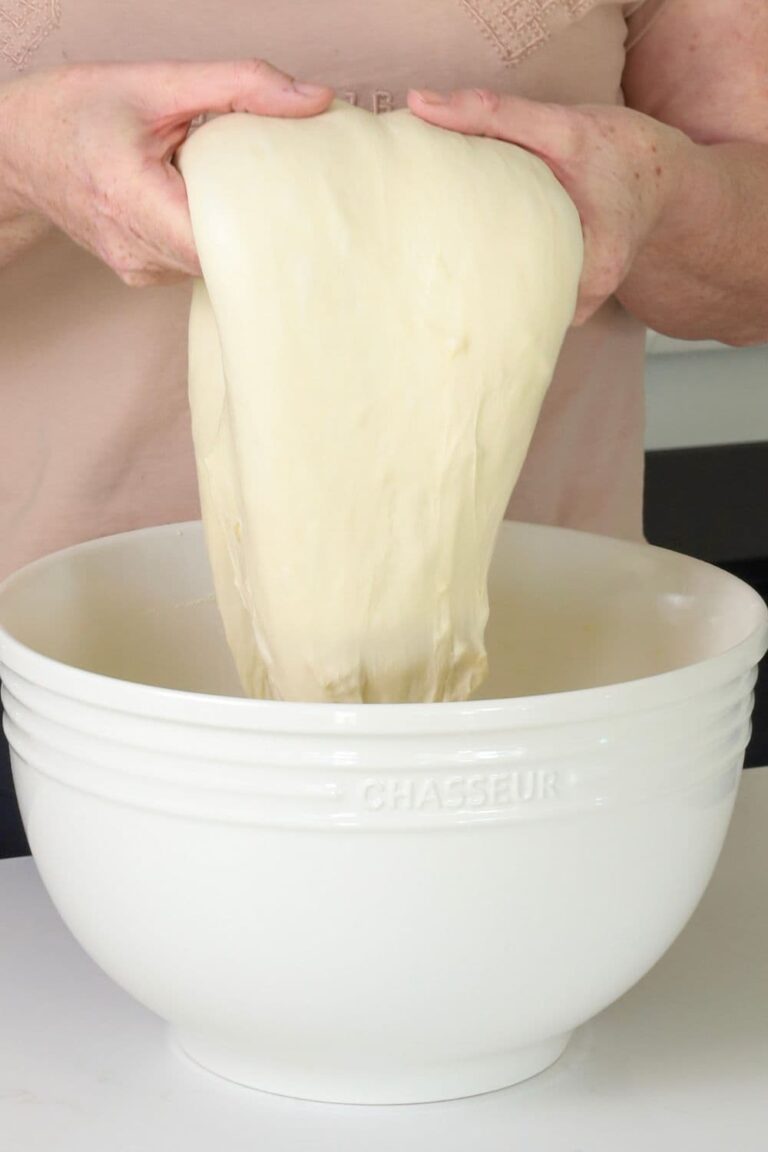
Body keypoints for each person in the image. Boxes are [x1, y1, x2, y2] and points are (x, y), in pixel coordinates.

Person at [0, 0, 766, 854]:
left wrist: (666, 191)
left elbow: (749, 279)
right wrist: (18, 164)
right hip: (56, 695)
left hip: (540, 703)